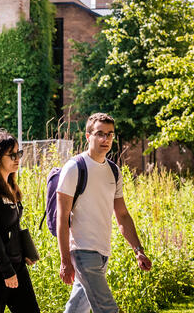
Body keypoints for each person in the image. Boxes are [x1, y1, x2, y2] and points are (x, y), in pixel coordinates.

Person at [57, 113, 152, 313]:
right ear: (88, 136)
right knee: (107, 308)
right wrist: (65, 259)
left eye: (109, 134)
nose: (105, 139)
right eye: (100, 134)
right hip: (82, 250)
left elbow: (123, 215)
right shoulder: (74, 167)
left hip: (102, 252)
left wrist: (138, 250)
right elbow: (62, 217)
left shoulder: (114, 171)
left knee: (76, 309)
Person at [0, 130, 40, 312]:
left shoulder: (11, 186)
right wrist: (6, 270)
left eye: (18, 153)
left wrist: (25, 251)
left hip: (17, 264)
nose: (17, 158)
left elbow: (14, 225)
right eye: (11, 155)